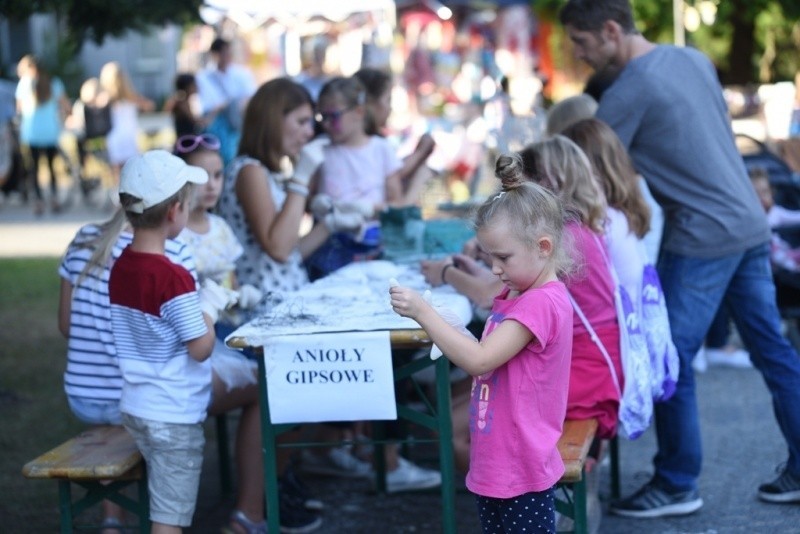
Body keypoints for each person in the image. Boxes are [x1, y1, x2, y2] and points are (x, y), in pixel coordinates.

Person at [560, 0, 800, 516]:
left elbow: (578, 174)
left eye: (581, 43)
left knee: (664, 357)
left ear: (609, 30)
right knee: (773, 352)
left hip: (702, 236)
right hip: (748, 224)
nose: (579, 55)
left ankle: (676, 482)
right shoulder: (689, 58)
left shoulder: (627, 92)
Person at [390, 154, 574, 534]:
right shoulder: (520, 292)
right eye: (490, 257)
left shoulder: (540, 302)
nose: (494, 269)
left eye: (503, 258)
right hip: (500, 458)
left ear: (543, 247)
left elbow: (480, 361)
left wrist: (425, 313)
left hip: (519, 465)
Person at [58, 207, 198, 532]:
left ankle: (112, 519)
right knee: (203, 392)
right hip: (137, 399)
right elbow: (189, 339)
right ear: (173, 210)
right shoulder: (173, 252)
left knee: (115, 412)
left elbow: (66, 326)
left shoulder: (82, 239)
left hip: (83, 396)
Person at [107, 150, 220, 533]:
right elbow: (201, 348)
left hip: (137, 405)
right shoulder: (173, 278)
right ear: (175, 212)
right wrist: (212, 310)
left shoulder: (121, 264)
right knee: (168, 519)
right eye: (188, 204)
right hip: (172, 413)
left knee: (162, 504)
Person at [304, 75, 406, 279]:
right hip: (328, 246)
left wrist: (369, 209)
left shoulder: (381, 149)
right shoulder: (319, 151)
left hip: (371, 246)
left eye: (332, 116)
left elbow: (396, 203)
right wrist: (317, 204)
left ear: (358, 112)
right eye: (321, 117)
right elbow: (307, 201)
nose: (325, 124)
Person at [354, 67, 436, 205]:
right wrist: (420, 152)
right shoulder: (366, 142)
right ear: (370, 103)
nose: (390, 108)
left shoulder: (373, 139)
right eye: (388, 100)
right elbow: (394, 174)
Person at [15, 55, 71, 214]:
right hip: (50, 131)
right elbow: (66, 106)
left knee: (34, 169)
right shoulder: (54, 83)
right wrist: (62, 119)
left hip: (31, 132)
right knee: (52, 167)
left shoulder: (24, 84)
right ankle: (53, 199)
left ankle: (38, 201)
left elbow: (18, 110)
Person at [99, 61, 155, 202]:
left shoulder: (106, 98)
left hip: (115, 137)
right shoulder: (131, 97)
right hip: (129, 136)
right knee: (130, 172)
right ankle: (129, 197)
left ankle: (118, 198)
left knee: (117, 173)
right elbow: (149, 105)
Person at [195, 38, 257, 165]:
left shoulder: (242, 74)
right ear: (214, 54)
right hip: (216, 125)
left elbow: (249, 97)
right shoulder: (204, 76)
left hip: (237, 123)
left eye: (228, 53)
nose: (226, 56)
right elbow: (207, 103)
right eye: (223, 53)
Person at [164, 73, 206, 139]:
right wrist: (215, 111)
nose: (196, 86)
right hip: (186, 141)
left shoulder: (181, 100)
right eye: (194, 84)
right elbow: (196, 121)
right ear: (187, 86)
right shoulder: (181, 101)